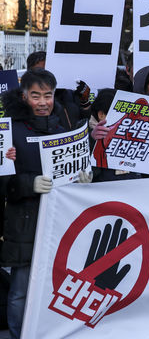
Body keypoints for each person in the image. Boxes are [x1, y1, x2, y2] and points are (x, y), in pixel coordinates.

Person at [1, 69, 91, 339]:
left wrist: (84, 176)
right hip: (24, 221)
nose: (42, 102)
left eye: (48, 96)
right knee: (21, 289)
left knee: (57, 285)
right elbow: (3, 183)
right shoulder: (9, 130)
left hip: (60, 220)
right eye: (35, 96)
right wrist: (29, 183)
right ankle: (19, 335)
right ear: (24, 95)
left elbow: (74, 171)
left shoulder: (64, 127)